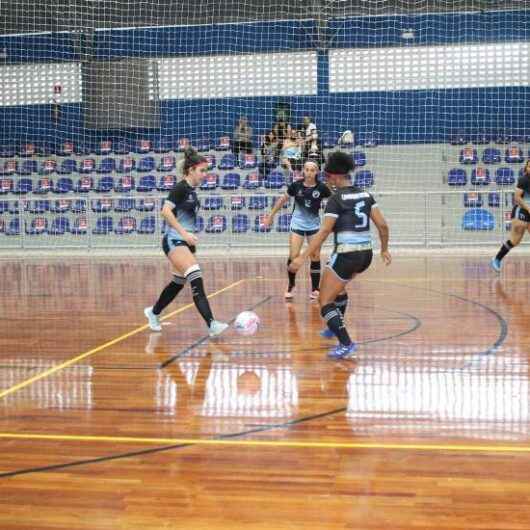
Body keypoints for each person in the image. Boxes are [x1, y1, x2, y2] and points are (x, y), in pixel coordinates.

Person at [289, 151, 391, 360]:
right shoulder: (365, 194)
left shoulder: (336, 199)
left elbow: (324, 232)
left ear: (335, 177)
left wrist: (301, 257)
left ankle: (346, 343)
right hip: (366, 255)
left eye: (327, 176)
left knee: (324, 302)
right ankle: (333, 327)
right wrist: (384, 249)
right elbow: (382, 225)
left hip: (346, 255)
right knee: (340, 289)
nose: (327, 180)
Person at [144, 148, 229, 337]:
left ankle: (154, 312)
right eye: (202, 170)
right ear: (191, 170)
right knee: (196, 277)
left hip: (186, 242)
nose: (205, 175)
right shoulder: (180, 188)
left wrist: (190, 238)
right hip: (174, 240)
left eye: (206, 171)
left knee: (178, 282)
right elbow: (165, 211)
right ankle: (211, 324)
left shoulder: (192, 191)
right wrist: (184, 234)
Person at [263, 160, 331, 299]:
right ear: (303, 171)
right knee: (294, 256)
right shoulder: (296, 186)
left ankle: (315, 289)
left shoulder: (322, 188)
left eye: (312, 170)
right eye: (307, 169)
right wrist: (271, 216)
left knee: (315, 256)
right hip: (297, 224)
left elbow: (333, 202)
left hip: (314, 226)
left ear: (317, 172)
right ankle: (291, 284)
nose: (309, 172)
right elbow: (282, 200)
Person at [491, 159, 530, 272]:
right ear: (526, 169)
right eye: (529, 166)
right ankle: (497, 259)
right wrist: (528, 208)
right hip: (522, 210)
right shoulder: (524, 180)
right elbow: (517, 198)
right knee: (515, 239)